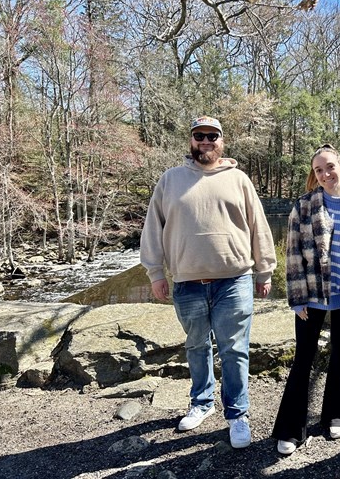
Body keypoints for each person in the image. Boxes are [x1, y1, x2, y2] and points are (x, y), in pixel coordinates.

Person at [140, 115, 276, 449]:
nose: (205, 141)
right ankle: (201, 403)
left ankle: (237, 414)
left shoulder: (239, 179)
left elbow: (259, 226)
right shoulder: (170, 180)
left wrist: (265, 270)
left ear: (221, 141)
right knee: (196, 346)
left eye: (212, 136)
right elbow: (152, 231)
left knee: (234, 350)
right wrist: (156, 273)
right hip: (187, 282)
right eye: (199, 136)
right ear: (191, 141)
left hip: (234, 281)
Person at [272, 143, 340, 455]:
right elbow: (293, 254)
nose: (325, 174)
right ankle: (292, 430)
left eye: (330, 167)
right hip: (311, 296)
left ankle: (339, 415)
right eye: (318, 170)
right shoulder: (304, 206)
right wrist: (296, 298)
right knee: (303, 358)